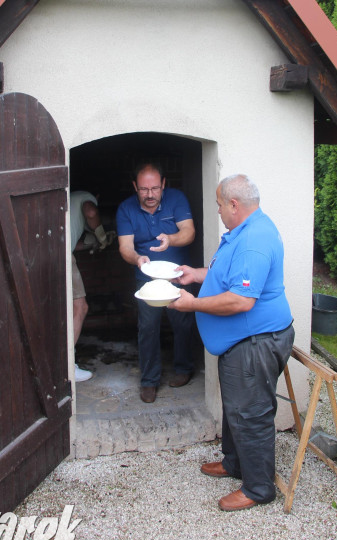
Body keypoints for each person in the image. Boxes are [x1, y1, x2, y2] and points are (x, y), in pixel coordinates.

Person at [170, 174, 294, 511]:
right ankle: (234, 463)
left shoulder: (254, 239)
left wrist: (191, 302)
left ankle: (258, 488)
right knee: (237, 407)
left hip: (255, 343)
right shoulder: (245, 230)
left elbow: (241, 300)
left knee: (250, 413)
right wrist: (196, 275)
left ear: (234, 205)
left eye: (220, 205)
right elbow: (229, 274)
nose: (219, 211)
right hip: (241, 343)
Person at [116, 162, 196, 403]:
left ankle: (184, 369)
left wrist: (170, 239)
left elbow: (189, 232)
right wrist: (137, 259)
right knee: (148, 328)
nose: (149, 195)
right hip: (146, 276)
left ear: (163, 184)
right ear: (134, 187)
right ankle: (149, 381)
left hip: (178, 274)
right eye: (143, 189)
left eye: (154, 188)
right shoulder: (125, 209)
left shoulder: (177, 199)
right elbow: (125, 247)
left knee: (182, 322)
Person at [70, 190, 115, 382]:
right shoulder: (86, 198)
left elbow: (74, 244)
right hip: (62, 257)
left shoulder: (69, 201)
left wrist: (94, 243)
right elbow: (91, 213)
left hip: (51, 251)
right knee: (80, 307)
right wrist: (103, 236)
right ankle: (67, 367)